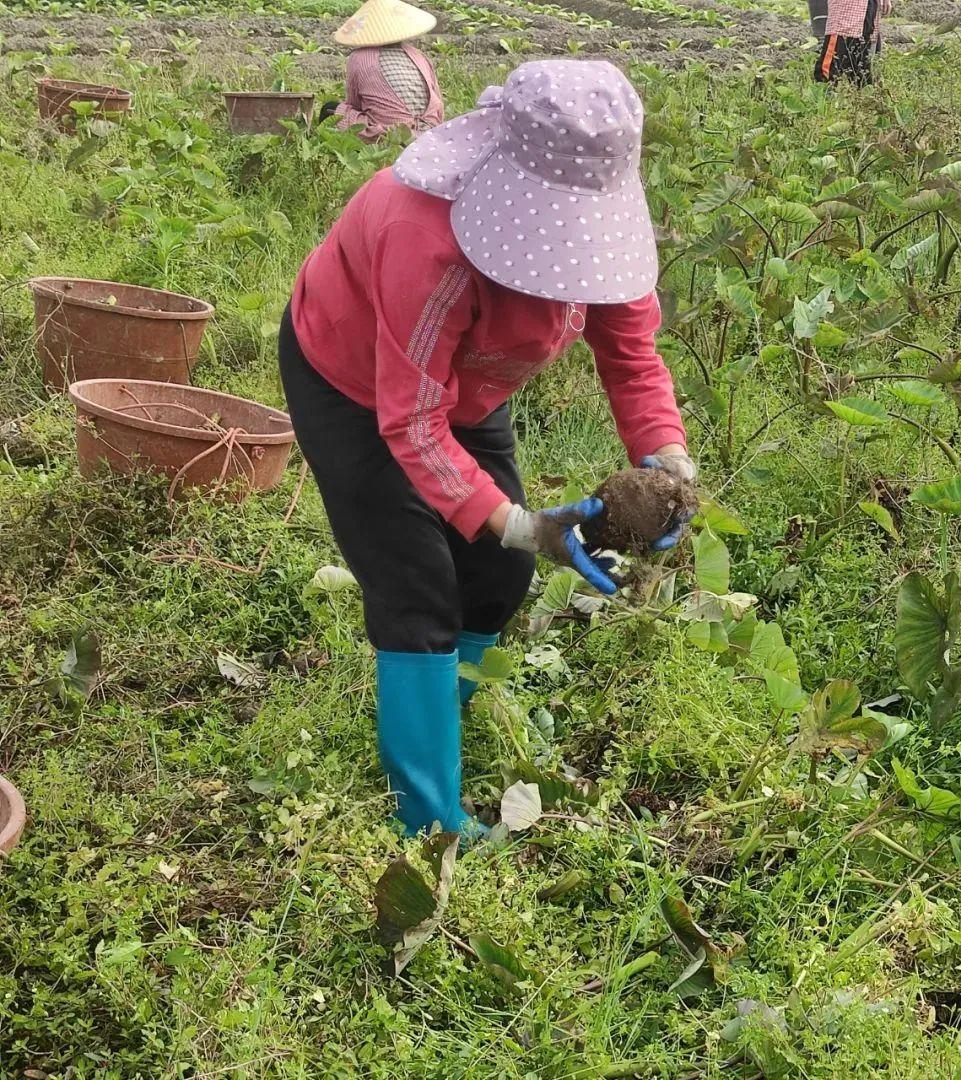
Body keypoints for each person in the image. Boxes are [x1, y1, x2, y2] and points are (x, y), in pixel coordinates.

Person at [280, 60, 696, 842]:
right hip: (357, 384)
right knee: (418, 592)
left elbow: (632, 357)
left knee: (499, 575)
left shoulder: (602, 249)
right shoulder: (424, 237)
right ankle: (429, 820)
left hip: (465, 393)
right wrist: (519, 520)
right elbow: (409, 421)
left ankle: (437, 708)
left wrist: (669, 461)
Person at [318, 0, 444, 142]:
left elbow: (354, 104)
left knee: (330, 109)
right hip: (430, 132)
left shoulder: (360, 58)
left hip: (391, 135)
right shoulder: (418, 55)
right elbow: (438, 101)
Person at [814, 0, 892, 85]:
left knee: (864, 49)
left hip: (869, 4)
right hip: (847, 6)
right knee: (840, 40)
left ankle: (860, 90)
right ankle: (824, 88)